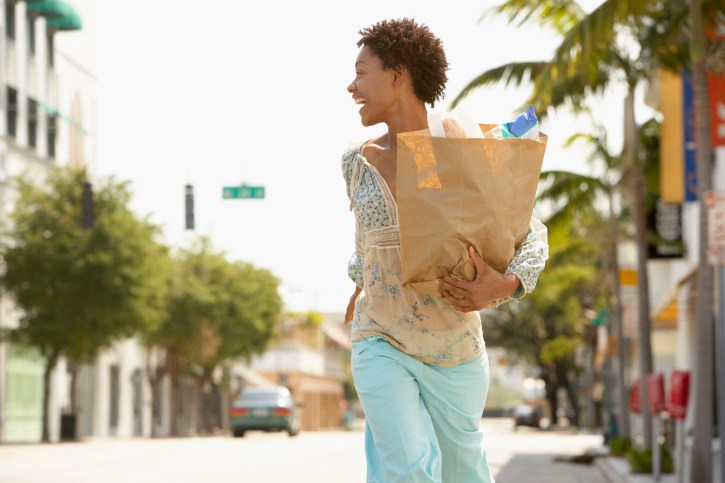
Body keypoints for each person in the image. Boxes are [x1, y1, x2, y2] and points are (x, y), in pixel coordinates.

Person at [342, 18, 548, 483]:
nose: (351, 85)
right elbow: (364, 241)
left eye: (361, 72)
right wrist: (359, 283)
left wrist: (507, 284)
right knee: (407, 469)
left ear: (398, 75)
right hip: (378, 336)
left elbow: (530, 233)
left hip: (453, 345)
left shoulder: (457, 145)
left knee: (464, 473)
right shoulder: (357, 161)